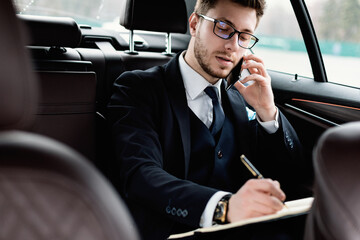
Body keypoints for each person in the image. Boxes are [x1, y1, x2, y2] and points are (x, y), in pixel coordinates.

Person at [108, 0, 307, 239]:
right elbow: (140, 175)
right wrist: (224, 207)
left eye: (244, 36)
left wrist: (267, 110)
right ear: (194, 24)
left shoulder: (243, 98)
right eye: (223, 28)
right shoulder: (138, 88)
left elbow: (293, 175)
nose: (233, 46)